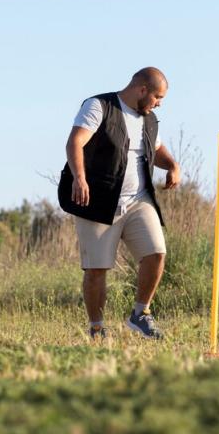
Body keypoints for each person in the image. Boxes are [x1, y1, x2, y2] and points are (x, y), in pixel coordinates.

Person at [63, 67, 180, 340]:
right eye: (157, 97)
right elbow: (75, 142)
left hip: (139, 200)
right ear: (141, 90)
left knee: (156, 253)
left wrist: (172, 164)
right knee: (97, 269)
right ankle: (96, 328)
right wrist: (79, 178)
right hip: (98, 201)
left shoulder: (148, 118)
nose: (159, 103)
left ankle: (141, 315)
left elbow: (156, 148)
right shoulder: (99, 106)